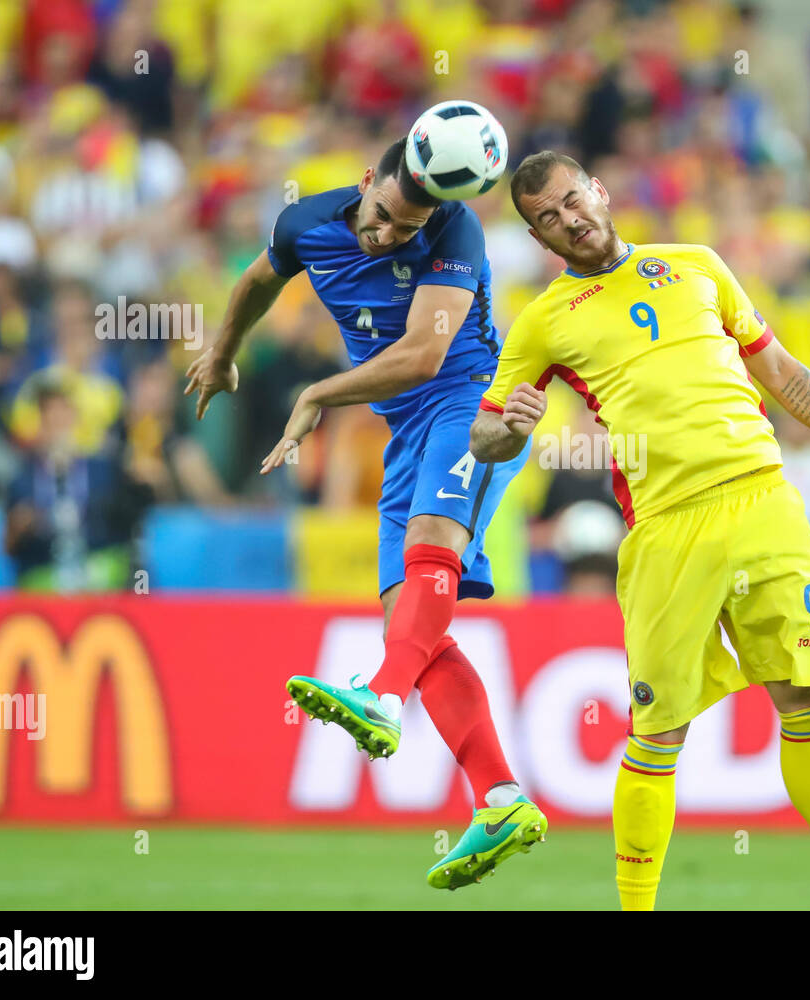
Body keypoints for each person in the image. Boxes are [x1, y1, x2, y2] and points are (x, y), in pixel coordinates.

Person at [470, 151, 810, 911]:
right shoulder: (542, 321)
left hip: (766, 501)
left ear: (600, 192)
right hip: (668, 527)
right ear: (540, 239)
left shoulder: (697, 265)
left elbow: (779, 371)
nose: (569, 219)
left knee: (807, 695)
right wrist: (511, 427)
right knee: (659, 730)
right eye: (549, 217)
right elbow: (483, 439)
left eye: (574, 200)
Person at [184, 138, 545, 890]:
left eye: (405, 230)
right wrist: (223, 351)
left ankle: (382, 696)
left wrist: (315, 393)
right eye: (381, 217)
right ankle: (502, 798)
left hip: (473, 404)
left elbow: (421, 357)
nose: (387, 236)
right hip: (407, 430)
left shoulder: (456, 230)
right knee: (407, 615)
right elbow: (258, 278)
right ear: (365, 184)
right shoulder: (304, 223)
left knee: (428, 554)